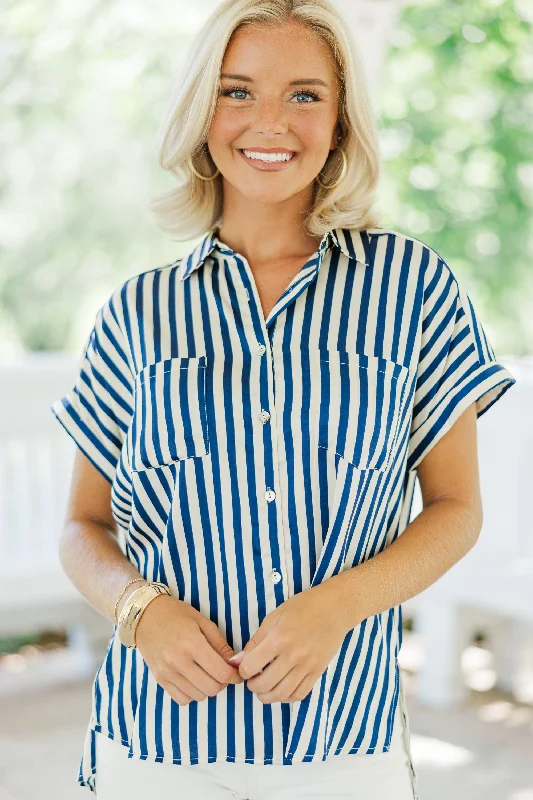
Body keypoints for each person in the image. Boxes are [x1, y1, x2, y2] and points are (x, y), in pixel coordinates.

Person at [50, 1, 516, 798]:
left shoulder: (412, 289)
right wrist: (139, 611)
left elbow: (455, 510)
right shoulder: (137, 312)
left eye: (304, 95)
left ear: (339, 123)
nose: (270, 122)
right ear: (201, 114)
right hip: (155, 747)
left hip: (345, 744)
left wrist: (335, 607)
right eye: (237, 91)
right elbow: (81, 526)